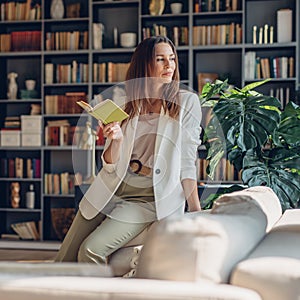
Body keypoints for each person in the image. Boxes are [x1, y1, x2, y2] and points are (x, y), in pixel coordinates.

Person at [55, 35, 202, 264]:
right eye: (161, 59)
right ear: (145, 64)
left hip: (148, 197)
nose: (169, 66)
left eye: (172, 59)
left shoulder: (186, 103)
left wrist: (195, 211)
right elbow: (109, 163)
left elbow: (186, 161)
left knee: (90, 251)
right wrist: (116, 139)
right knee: (65, 255)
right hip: (112, 186)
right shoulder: (126, 100)